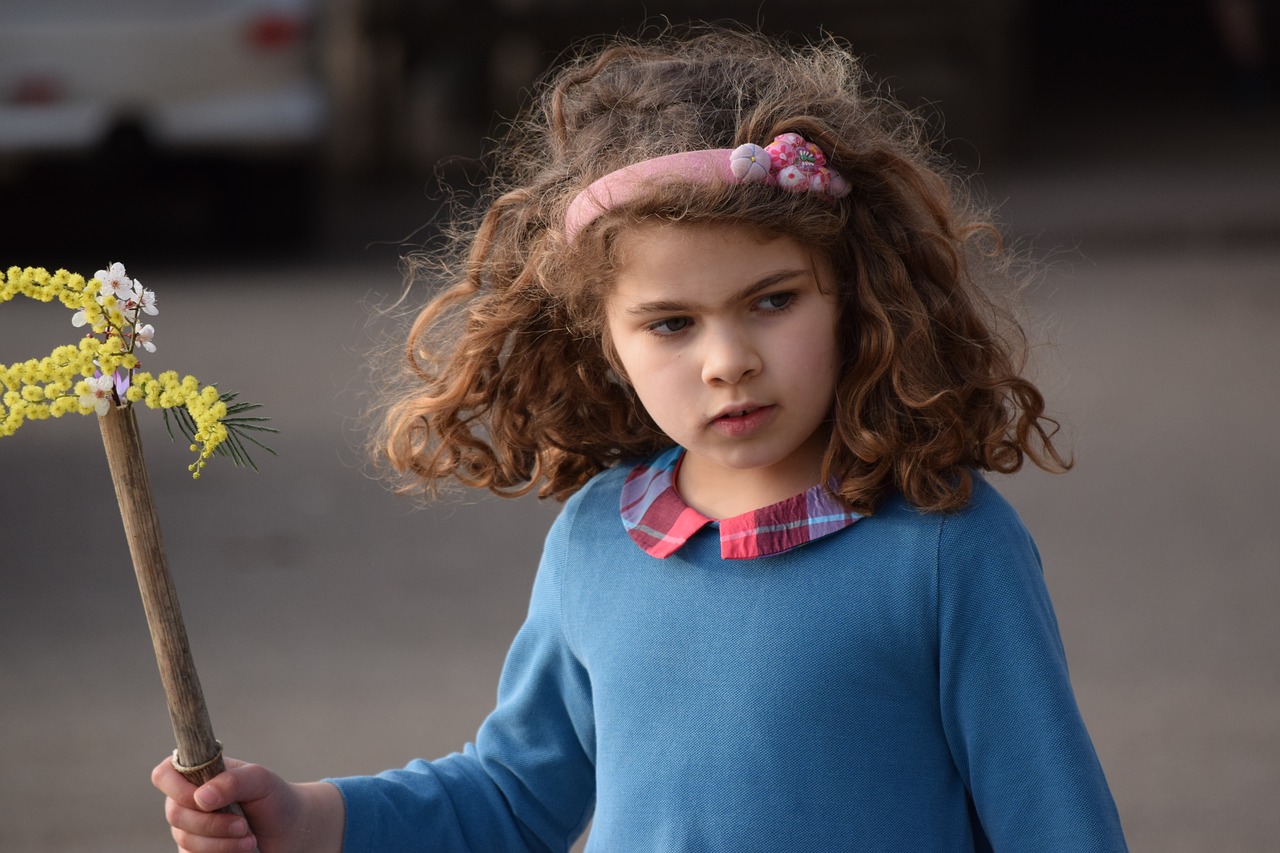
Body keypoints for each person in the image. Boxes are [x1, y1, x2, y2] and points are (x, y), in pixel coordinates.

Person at [152, 27, 1128, 853]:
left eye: (771, 301)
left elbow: (1054, 823)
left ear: (852, 298)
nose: (727, 361)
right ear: (603, 344)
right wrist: (309, 815)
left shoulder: (946, 548)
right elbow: (508, 795)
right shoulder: (594, 541)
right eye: (670, 323)